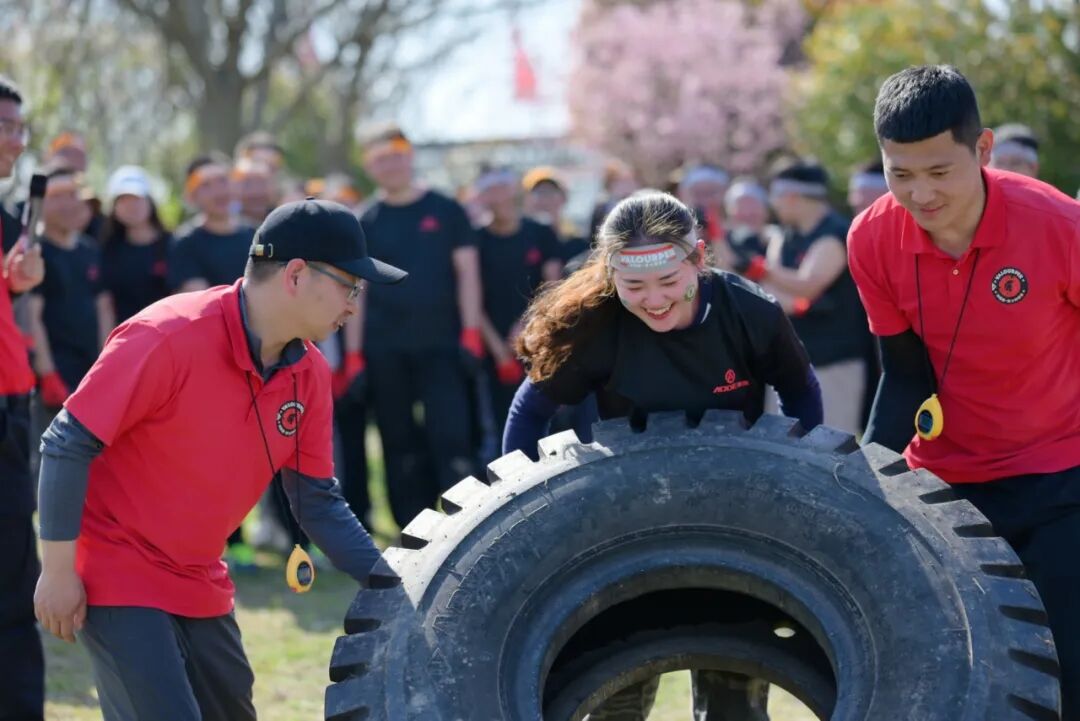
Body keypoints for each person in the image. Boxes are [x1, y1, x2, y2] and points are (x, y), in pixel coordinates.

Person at [33, 198, 406, 721]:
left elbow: (315, 498)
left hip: (201, 574)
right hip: (118, 564)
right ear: (297, 275)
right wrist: (56, 572)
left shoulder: (310, 374)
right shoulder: (168, 334)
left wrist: (393, 584)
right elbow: (66, 443)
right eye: (351, 285)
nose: (353, 305)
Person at [504, 191, 823, 720]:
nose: (654, 299)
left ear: (697, 258)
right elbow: (528, 413)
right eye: (634, 285)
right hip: (624, 525)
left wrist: (800, 476)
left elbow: (801, 391)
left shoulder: (751, 312)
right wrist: (518, 508)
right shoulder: (597, 324)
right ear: (610, 274)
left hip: (733, 516)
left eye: (669, 281)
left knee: (734, 704)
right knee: (616, 704)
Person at [848, 65, 1080, 720]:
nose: (920, 194)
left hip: (1062, 476)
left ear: (983, 149)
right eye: (900, 173)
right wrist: (867, 470)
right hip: (948, 485)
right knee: (955, 671)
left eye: (939, 172)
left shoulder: (1059, 225)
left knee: (1066, 669)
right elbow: (904, 372)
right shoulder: (870, 237)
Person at [356, 123, 484, 529]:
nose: (390, 165)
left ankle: (464, 524)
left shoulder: (447, 210)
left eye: (396, 155)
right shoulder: (365, 221)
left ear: (410, 156)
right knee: (398, 443)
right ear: (370, 167)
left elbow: (467, 273)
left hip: (443, 345)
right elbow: (357, 289)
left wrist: (471, 331)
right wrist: (355, 354)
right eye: (380, 159)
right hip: (384, 349)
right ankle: (412, 531)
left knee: (451, 437)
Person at [745, 159, 869, 434]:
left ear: (791, 196)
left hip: (833, 362)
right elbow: (772, 292)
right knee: (780, 449)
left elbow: (807, 285)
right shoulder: (785, 236)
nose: (773, 206)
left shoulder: (836, 233)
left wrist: (760, 269)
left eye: (775, 197)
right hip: (788, 360)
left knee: (830, 451)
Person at [0, 73, 46, 721]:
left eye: (17, 127)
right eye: (5, 127)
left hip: (11, 412)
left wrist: (17, 284)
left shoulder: (10, 221)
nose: (14, 141)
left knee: (13, 581)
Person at [473, 166, 563, 444]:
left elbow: (553, 286)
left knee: (551, 426)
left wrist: (526, 326)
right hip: (494, 348)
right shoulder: (475, 239)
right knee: (503, 424)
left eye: (504, 188)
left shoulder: (541, 232)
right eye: (492, 190)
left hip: (538, 340)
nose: (500, 197)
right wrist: (498, 349)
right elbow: (471, 296)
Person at [27, 166, 114, 412]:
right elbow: (32, 317)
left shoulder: (89, 249)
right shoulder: (35, 252)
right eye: (57, 197)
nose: (68, 204)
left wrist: (107, 360)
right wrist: (47, 372)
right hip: (56, 377)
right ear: (41, 204)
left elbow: (103, 306)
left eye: (73, 195)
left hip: (92, 369)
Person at [168, 154, 255, 293]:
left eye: (223, 181)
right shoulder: (186, 242)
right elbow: (199, 300)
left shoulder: (256, 234)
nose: (218, 191)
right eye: (206, 185)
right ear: (192, 196)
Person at [99, 165, 172, 324]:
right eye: (124, 200)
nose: (131, 206)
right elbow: (105, 307)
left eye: (137, 199)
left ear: (150, 202)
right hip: (126, 340)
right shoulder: (108, 250)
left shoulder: (173, 245)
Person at [522, 165, 589, 262]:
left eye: (549, 192)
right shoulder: (516, 238)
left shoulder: (577, 241)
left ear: (564, 198)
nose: (544, 200)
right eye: (537, 192)